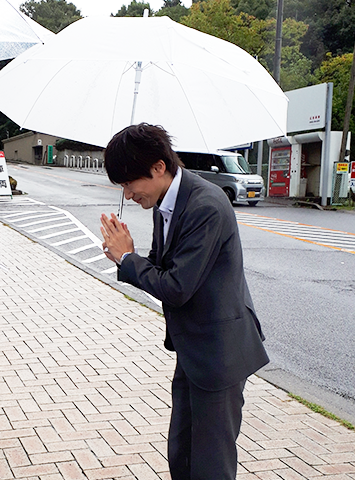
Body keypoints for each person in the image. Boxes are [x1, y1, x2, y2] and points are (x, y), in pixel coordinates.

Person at [100, 123, 269, 480]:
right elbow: (167, 268)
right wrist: (129, 255)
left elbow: (177, 286)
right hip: (193, 350)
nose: (128, 194)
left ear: (159, 167)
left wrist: (128, 259)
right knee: (182, 452)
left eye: (130, 183)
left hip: (218, 353)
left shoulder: (205, 205)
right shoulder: (168, 201)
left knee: (210, 463)